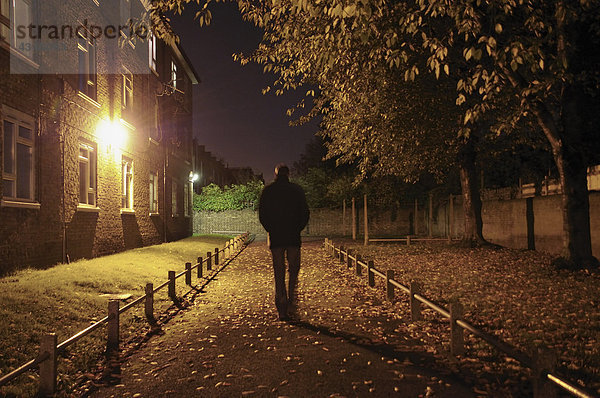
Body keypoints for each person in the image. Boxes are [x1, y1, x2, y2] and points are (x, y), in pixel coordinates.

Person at [259, 163, 310, 321]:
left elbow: (262, 214)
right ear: (288, 174)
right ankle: (291, 300)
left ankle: (281, 305)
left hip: (276, 236)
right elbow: (305, 212)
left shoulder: (268, 191)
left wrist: (270, 229)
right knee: (293, 269)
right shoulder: (297, 190)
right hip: (293, 236)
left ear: (276, 174)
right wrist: (297, 228)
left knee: (278, 271)